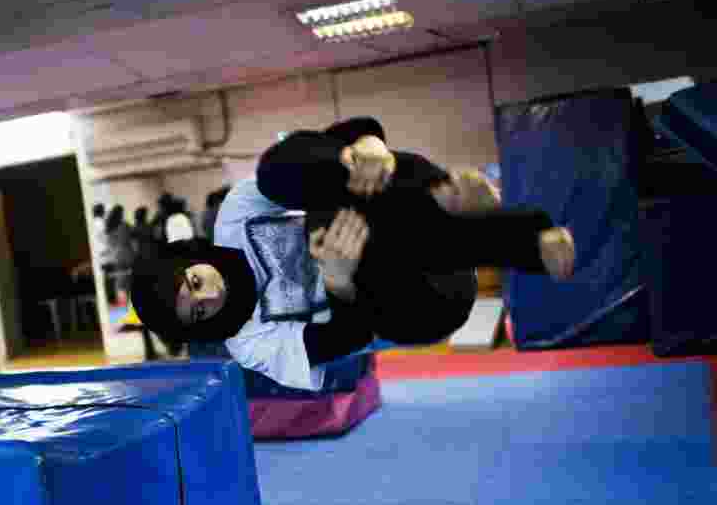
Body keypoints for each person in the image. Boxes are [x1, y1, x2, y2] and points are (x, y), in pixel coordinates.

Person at [130, 117, 574, 390]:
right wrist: (339, 283)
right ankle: (476, 224)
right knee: (340, 249)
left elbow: (296, 164)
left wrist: (362, 144)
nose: (208, 296)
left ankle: (512, 236)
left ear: (191, 258)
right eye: (198, 312)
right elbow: (340, 342)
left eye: (194, 282)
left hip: (410, 206)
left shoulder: (234, 219)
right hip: (418, 305)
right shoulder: (248, 343)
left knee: (280, 178)